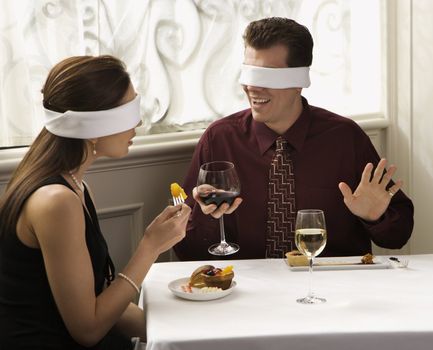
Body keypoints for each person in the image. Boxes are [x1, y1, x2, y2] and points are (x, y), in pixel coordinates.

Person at [174, 17, 414, 260]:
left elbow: (398, 237)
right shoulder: (219, 140)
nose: (253, 88)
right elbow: (185, 252)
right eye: (249, 73)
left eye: (267, 76)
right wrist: (207, 217)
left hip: (333, 287)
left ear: (299, 82)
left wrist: (374, 217)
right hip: (249, 290)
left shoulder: (345, 139)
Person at [0, 55, 191, 349]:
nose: (139, 122)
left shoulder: (74, 185)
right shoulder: (56, 201)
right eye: (128, 112)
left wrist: (186, 333)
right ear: (94, 125)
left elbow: (101, 301)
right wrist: (150, 247)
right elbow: (87, 330)